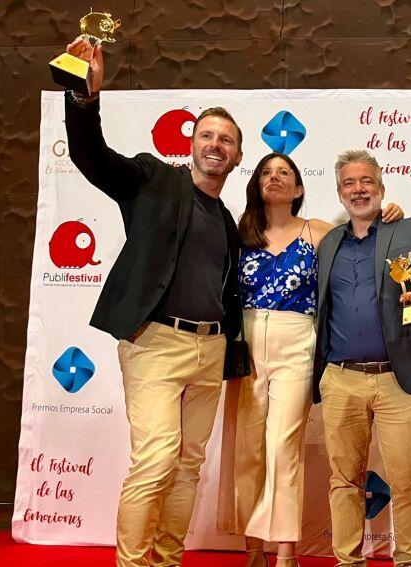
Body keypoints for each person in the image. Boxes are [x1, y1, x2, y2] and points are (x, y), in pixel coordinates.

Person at [62, 37, 244, 567]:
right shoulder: (153, 180)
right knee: (157, 459)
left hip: (211, 352)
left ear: (237, 156)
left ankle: (166, 559)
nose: (215, 144)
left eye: (226, 140)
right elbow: (91, 156)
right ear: (192, 144)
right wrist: (84, 97)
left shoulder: (228, 220)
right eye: (207, 135)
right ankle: (133, 562)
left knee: (188, 467)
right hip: (156, 343)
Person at [219, 152, 403, 567]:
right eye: (267, 172)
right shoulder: (241, 232)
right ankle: (253, 550)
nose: (275, 177)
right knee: (248, 448)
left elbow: (363, 240)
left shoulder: (317, 231)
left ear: (299, 188)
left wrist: (391, 217)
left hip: (297, 341)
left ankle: (286, 552)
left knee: (284, 446)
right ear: (257, 184)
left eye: (284, 172)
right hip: (247, 342)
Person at [312, 149, 411, 567]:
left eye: (366, 181)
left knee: (406, 480)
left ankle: (409, 558)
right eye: (349, 183)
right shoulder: (329, 243)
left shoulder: (409, 228)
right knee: (344, 480)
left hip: (399, 378)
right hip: (340, 377)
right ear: (339, 193)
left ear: (381, 186)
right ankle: (347, 560)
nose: (358, 190)